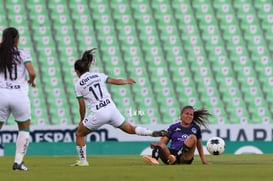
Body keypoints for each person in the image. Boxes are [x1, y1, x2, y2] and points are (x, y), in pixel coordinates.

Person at [71, 48, 167, 166]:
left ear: (77, 71)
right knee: (131, 129)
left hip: (98, 113)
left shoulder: (78, 84)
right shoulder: (98, 75)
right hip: (111, 109)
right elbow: (115, 81)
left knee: (79, 134)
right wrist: (127, 81)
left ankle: (83, 161)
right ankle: (152, 133)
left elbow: (82, 106)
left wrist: (81, 120)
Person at [0, 27, 36, 171]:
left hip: (1, 94)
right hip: (19, 95)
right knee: (24, 128)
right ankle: (18, 162)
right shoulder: (22, 53)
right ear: (17, 39)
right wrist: (31, 81)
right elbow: (32, 73)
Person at [142, 105, 211, 165]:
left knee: (193, 137)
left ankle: (176, 157)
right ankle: (154, 160)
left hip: (185, 157)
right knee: (160, 143)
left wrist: (203, 160)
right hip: (171, 155)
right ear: (181, 115)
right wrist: (158, 146)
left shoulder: (195, 128)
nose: (189, 116)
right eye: (187, 114)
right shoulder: (173, 127)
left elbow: (199, 145)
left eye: (191, 114)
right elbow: (164, 142)